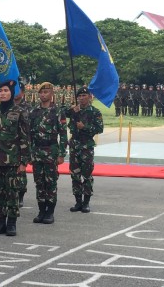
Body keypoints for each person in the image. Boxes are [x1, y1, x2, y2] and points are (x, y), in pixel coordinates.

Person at [0, 80, 30, 236]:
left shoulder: (19, 112)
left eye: (6, 90)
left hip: (13, 160)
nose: (3, 93)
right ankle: (0, 223)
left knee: (12, 192)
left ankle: (11, 223)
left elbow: (25, 138)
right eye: (0, 90)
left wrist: (24, 161)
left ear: (11, 93)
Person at [28, 82, 67, 224]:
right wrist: (29, 153)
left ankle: (50, 212)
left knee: (50, 182)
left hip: (51, 150)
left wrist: (62, 153)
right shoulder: (34, 111)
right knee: (39, 182)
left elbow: (63, 134)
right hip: (37, 151)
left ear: (51, 94)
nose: (43, 95)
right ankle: (41, 211)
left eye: (46, 92)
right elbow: (29, 134)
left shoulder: (57, 111)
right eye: (41, 92)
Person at [65, 87, 103, 213]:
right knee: (75, 174)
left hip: (86, 146)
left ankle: (86, 202)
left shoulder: (95, 112)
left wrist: (85, 127)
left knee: (86, 175)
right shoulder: (74, 110)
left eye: (84, 95)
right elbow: (60, 113)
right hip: (75, 145)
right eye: (79, 96)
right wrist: (71, 109)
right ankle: (78, 202)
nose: (81, 98)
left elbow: (99, 128)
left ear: (89, 97)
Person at [13, 82, 31, 207]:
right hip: (9, 144)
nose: (16, 93)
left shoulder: (28, 108)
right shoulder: (8, 107)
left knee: (21, 172)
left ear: (23, 93)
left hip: (23, 143)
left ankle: (21, 195)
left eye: (18, 90)